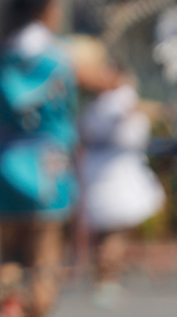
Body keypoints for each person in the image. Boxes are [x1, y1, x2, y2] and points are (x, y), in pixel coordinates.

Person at [0, 0, 78, 317]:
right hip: (47, 163)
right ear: (46, 11)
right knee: (45, 254)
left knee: (10, 254)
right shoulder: (57, 57)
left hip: (5, 162)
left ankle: (8, 307)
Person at [73, 39, 165, 306]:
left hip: (106, 173)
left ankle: (107, 276)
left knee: (111, 233)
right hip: (112, 176)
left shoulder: (98, 105)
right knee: (112, 233)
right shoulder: (115, 102)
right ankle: (106, 280)